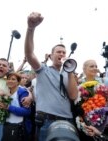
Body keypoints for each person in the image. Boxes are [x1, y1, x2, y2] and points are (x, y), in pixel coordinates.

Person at [24, 12, 78, 141]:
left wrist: (70, 72)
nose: (61, 54)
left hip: (67, 121)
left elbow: (73, 96)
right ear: (51, 56)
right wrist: (31, 29)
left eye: (64, 52)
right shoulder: (43, 70)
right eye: (58, 52)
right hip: (46, 121)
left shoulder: (69, 74)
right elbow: (29, 54)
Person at [0, 72, 31, 141]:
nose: (10, 81)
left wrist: (8, 107)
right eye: (9, 79)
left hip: (18, 128)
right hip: (6, 126)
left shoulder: (22, 92)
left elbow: (27, 111)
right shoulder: (6, 92)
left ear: (18, 82)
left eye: (13, 79)